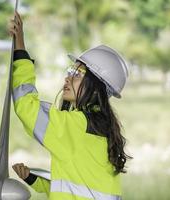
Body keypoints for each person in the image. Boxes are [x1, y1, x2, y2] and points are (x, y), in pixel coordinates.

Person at [9, 11, 131, 200]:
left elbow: (25, 105)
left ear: (96, 87)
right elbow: (77, 189)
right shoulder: (103, 130)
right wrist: (32, 179)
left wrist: (20, 49)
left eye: (78, 73)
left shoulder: (76, 126)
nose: (68, 77)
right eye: (71, 70)